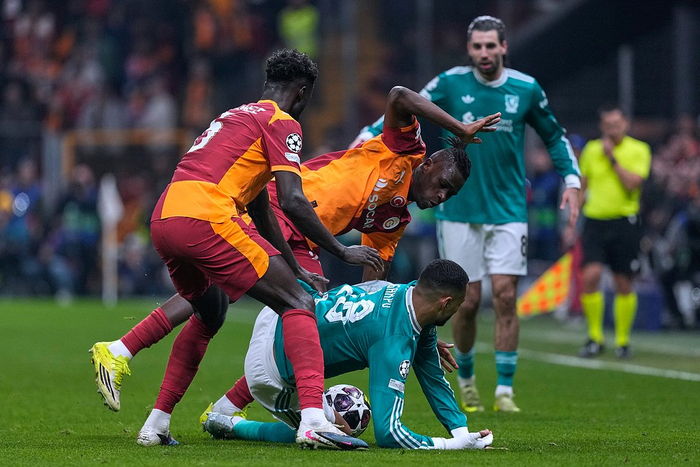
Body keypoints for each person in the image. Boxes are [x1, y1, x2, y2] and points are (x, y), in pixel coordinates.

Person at [90, 82, 500, 442]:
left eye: (450, 194)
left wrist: (411, 326)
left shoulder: (394, 220)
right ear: (429, 165)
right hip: (279, 208)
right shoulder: (404, 149)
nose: (442, 196)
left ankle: (178, 400)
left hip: (304, 241)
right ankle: (283, 415)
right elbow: (399, 96)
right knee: (283, 310)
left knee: (247, 311)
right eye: (443, 184)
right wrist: (459, 128)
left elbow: (372, 289)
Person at [92, 49, 384, 450]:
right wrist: (341, 251)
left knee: (210, 311)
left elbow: (262, 207)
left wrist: (294, 267)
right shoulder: (283, 123)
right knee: (299, 304)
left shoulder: (234, 116)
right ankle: (314, 421)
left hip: (166, 216)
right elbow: (292, 199)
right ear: (301, 93)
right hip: (206, 216)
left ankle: (153, 420)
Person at [352, 16, 581, 413]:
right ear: (469, 49)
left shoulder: (526, 88)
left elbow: (554, 136)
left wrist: (572, 180)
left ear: (504, 47)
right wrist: (365, 137)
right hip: (458, 210)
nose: (484, 53)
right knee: (468, 301)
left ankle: (505, 390)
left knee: (506, 295)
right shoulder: (450, 83)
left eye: (491, 45)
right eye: (477, 46)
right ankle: (468, 379)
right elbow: (407, 106)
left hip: (509, 209)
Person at [202, 259, 494, 450]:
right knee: (330, 430)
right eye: (458, 306)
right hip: (269, 370)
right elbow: (389, 433)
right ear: (445, 304)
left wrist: (462, 433)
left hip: (280, 312)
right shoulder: (393, 340)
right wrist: (450, 445)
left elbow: (433, 377)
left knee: (316, 344)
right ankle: (234, 426)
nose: (458, 311)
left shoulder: (407, 294)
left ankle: (226, 407)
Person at [577, 105, 651, 359]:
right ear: (602, 127)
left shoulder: (639, 150)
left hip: (624, 221)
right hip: (594, 221)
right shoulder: (591, 150)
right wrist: (572, 220)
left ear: (626, 124)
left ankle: (622, 341)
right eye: (608, 125)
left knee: (623, 282)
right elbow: (583, 186)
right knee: (591, 276)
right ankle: (595, 338)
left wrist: (612, 159)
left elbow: (632, 184)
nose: (613, 129)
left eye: (617, 124)